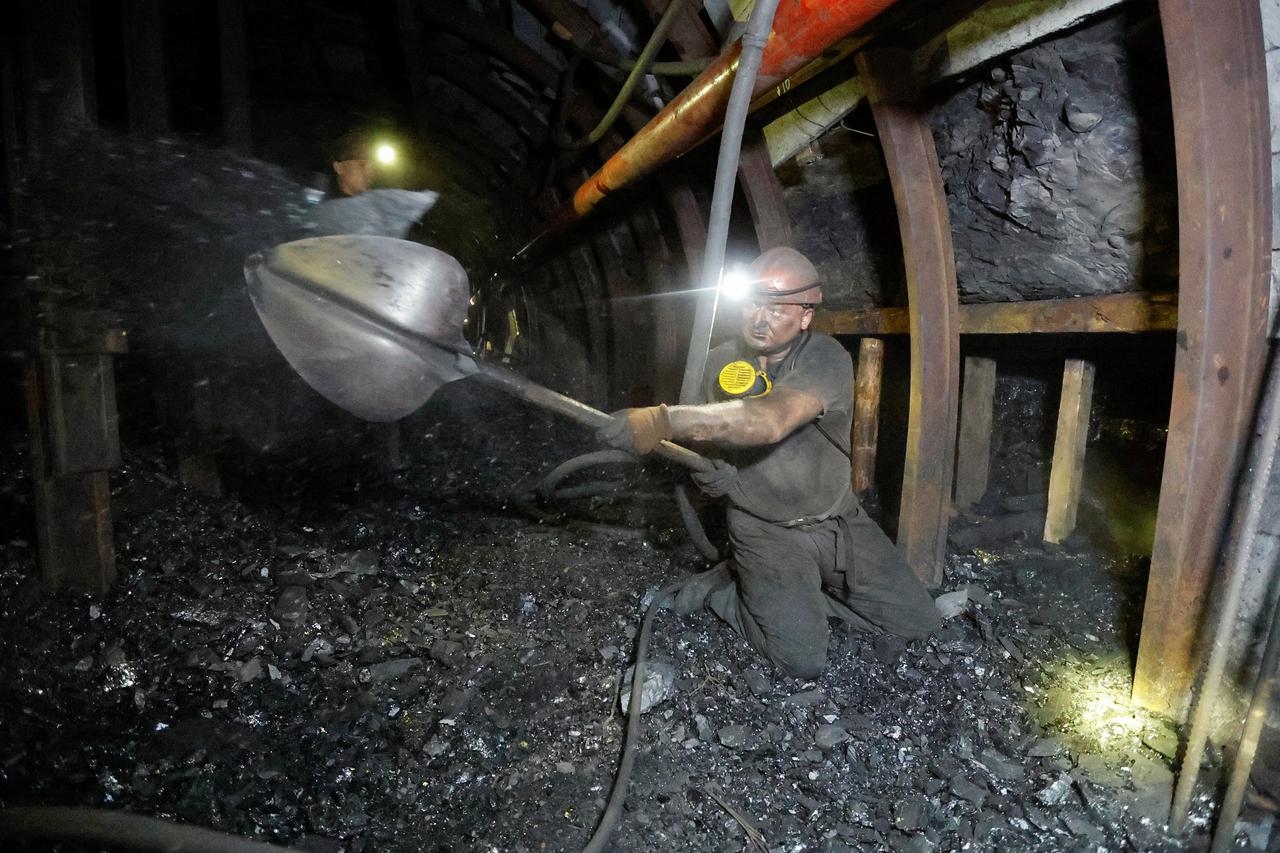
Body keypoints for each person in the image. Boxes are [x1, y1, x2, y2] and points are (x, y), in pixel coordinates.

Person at [597, 247, 940, 679]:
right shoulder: (720, 361)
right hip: (763, 531)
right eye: (753, 303)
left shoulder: (824, 357)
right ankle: (727, 593)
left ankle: (776, 593)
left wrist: (663, 419)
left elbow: (771, 419)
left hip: (837, 523)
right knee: (801, 660)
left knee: (920, 624)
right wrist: (714, 471)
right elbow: (714, 439)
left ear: (806, 315)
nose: (761, 317)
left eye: (778, 308)